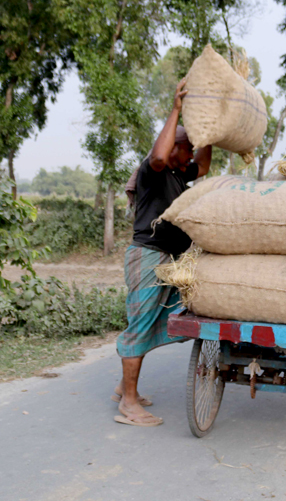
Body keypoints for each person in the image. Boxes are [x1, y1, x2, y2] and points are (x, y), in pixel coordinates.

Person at [114, 78, 212, 427]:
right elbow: (158, 153)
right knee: (139, 326)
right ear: (174, 147)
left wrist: (209, 133)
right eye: (186, 148)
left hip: (168, 261)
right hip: (148, 257)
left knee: (163, 321)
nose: (189, 155)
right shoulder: (153, 170)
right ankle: (128, 403)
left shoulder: (176, 175)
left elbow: (203, 167)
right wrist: (175, 109)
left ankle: (124, 388)